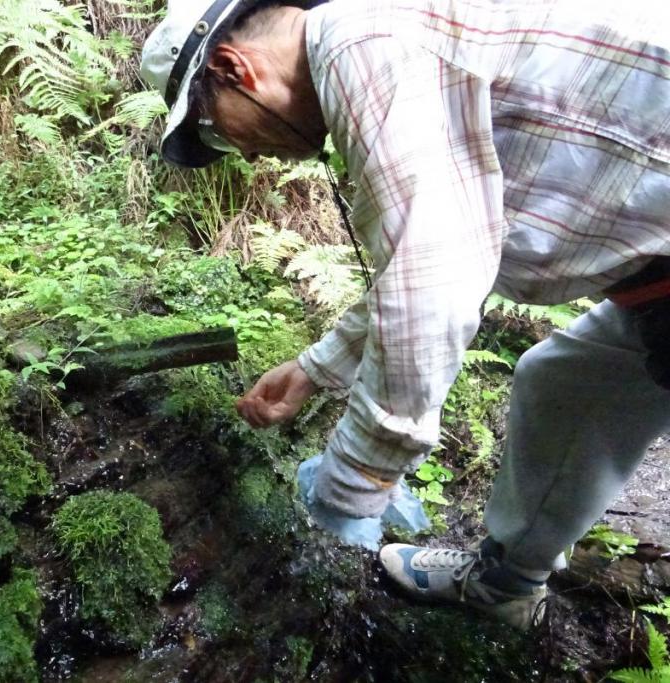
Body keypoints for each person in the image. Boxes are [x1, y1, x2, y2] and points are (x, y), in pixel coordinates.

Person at [141, 0, 670, 630]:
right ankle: (506, 585)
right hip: (652, 285)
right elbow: (443, 247)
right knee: (567, 386)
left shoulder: (359, 43)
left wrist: (355, 481)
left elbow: (431, 281)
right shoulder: (392, 31)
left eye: (217, 133)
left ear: (234, 69)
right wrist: (317, 367)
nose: (245, 156)